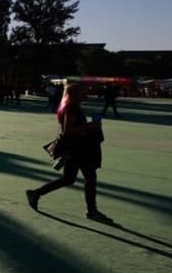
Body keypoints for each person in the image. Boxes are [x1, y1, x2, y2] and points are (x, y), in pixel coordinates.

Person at [26, 83, 110, 221]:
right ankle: (92, 211)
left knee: (70, 179)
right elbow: (68, 130)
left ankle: (35, 193)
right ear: (74, 94)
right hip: (77, 149)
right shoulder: (71, 107)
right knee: (88, 178)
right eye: (82, 92)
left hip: (77, 148)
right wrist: (91, 125)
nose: (85, 94)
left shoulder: (71, 106)